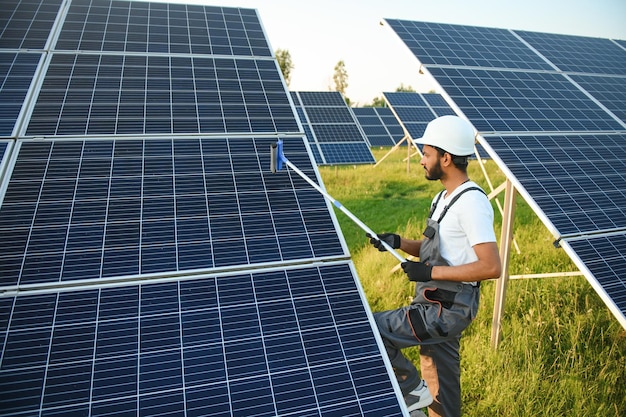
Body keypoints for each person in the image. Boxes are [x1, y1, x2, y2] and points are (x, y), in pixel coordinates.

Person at [369, 115, 501, 417]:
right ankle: (430, 399)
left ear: (446, 157)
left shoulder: (471, 203)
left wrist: (429, 273)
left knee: (374, 330)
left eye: (426, 154)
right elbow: (441, 249)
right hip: (436, 300)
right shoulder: (443, 197)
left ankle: (410, 389)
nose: (421, 161)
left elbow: (491, 266)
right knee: (441, 385)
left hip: (448, 308)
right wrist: (399, 242)